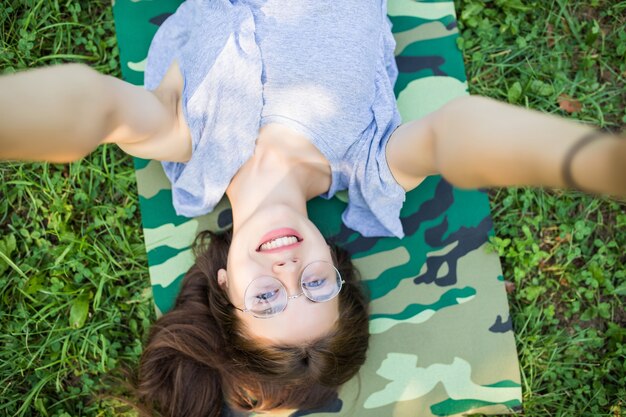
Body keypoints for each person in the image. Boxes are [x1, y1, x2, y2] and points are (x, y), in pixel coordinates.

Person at [0, 0, 624, 416]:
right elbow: (455, 133)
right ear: (338, 264)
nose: (287, 272)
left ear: (224, 286)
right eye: (315, 286)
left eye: (267, 300)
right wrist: (594, 162)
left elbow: (92, 106)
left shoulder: (188, 154)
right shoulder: (369, 168)